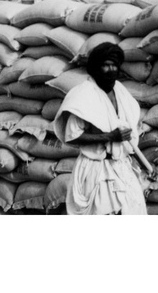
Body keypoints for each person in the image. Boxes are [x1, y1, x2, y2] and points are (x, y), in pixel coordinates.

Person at [52, 44, 148, 215]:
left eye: (114, 65)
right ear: (96, 68)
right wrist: (109, 137)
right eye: (106, 65)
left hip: (121, 166)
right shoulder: (83, 95)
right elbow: (72, 136)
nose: (111, 69)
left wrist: (145, 165)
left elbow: (128, 138)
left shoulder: (120, 92)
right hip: (96, 168)